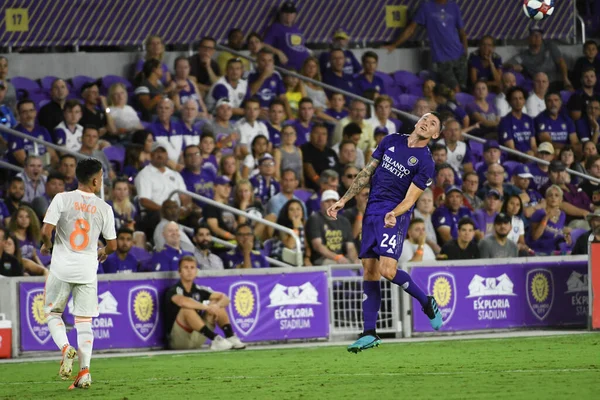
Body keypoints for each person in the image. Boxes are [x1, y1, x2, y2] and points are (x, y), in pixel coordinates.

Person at [326, 111, 444, 352]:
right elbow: (366, 172)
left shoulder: (425, 162)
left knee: (387, 270)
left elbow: (411, 199)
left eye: (432, 124)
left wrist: (395, 214)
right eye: (425, 119)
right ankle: (369, 333)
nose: (426, 123)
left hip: (394, 216)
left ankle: (426, 301)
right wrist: (344, 200)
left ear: (435, 134)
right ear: (418, 121)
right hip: (371, 212)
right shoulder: (391, 140)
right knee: (369, 271)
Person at [39, 158, 117, 389]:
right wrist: (102, 251)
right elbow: (112, 245)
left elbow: (46, 230)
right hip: (87, 270)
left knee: (53, 313)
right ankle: (84, 373)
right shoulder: (104, 208)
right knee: (84, 322)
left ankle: (65, 348)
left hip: (62, 267)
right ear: (95, 180)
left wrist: (47, 245)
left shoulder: (62, 198)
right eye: (101, 177)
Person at [163, 255, 245, 350]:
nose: (189, 271)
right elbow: (183, 301)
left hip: (197, 337)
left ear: (196, 271)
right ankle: (215, 339)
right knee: (186, 309)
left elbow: (225, 298)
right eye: (185, 267)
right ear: (179, 272)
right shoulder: (174, 290)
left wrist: (216, 306)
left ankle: (230, 336)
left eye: (192, 267)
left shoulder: (199, 289)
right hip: (178, 341)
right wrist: (207, 307)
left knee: (217, 303)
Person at [385, 0, 467, 92]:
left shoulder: (453, 6)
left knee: (464, 90)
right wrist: (394, 45)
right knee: (455, 90)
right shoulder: (426, 7)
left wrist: (465, 52)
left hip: (459, 55)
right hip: (442, 58)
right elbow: (411, 29)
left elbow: (462, 32)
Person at [134, 142, 190, 239]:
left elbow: (184, 196)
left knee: (195, 216)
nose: (160, 155)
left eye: (162, 152)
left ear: (167, 155)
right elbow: (144, 201)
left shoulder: (175, 174)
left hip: (176, 211)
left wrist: (185, 208)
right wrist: (165, 210)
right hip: (156, 213)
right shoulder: (144, 174)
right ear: (151, 155)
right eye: (157, 152)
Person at [505, 26, 572, 91]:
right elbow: (506, 64)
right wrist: (513, 66)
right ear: (529, 39)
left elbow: (561, 62)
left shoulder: (550, 46)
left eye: (539, 35)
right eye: (534, 35)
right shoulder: (524, 56)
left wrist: (565, 79)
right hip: (540, 85)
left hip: (555, 80)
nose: (537, 37)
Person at [307, 190, 357, 266]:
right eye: (327, 201)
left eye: (334, 201)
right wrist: (337, 257)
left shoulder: (344, 221)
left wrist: (355, 261)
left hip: (342, 259)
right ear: (321, 204)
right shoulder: (315, 219)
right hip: (322, 259)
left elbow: (350, 247)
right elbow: (317, 246)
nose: (331, 204)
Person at [264, 1, 310, 70]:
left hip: (305, 67)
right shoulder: (275, 27)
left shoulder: (297, 28)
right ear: (281, 14)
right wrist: (278, 52)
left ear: (295, 15)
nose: (289, 15)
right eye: (286, 12)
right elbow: (264, 45)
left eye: (291, 12)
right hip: (289, 69)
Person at [9, 100, 57, 167]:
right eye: (24, 112)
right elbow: (23, 161)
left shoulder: (43, 130)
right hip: (25, 173)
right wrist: (41, 173)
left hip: (45, 170)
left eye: (31, 110)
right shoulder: (15, 133)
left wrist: (48, 172)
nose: (29, 115)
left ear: (35, 112)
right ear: (19, 115)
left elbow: (53, 156)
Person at [246, 48, 292, 118]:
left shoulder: (276, 75)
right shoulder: (250, 75)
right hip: (255, 114)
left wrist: (290, 117)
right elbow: (250, 93)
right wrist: (264, 75)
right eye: (263, 60)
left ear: (273, 62)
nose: (267, 64)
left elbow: (283, 98)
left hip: (273, 114)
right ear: (257, 61)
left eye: (270, 60)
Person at [527, 185, 567, 255]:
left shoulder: (562, 215)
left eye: (556, 195)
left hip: (555, 251)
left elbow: (557, 232)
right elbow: (535, 237)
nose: (553, 197)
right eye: (550, 195)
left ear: (561, 200)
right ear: (546, 199)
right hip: (538, 251)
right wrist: (546, 217)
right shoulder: (539, 213)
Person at [498, 86, 537, 156]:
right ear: (509, 102)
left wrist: (538, 156)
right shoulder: (505, 121)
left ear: (524, 101)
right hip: (514, 160)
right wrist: (527, 156)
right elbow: (511, 149)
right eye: (515, 99)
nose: (518, 101)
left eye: (520, 98)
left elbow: (533, 145)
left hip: (531, 157)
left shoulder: (529, 119)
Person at [302, 123, 340, 191]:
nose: (320, 137)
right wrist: (319, 181)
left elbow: (339, 169)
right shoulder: (305, 149)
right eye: (317, 133)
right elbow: (309, 169)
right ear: (310, 135)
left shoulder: (331, 152)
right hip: (316, 188)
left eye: (324, 134)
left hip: (335, 186)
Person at [413, 188, 440, 254]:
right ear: (417, 202)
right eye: (423, 200)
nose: (426, 203)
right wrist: (434, 246)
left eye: (429, 201)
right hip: (417, 251)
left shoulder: (431, 216)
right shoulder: (412, 216)